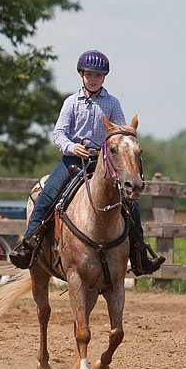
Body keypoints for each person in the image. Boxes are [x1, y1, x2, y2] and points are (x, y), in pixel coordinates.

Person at [9, 49, 165, 275]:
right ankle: (29, 245)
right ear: (81, 75)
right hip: (72, 160)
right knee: (46, 196)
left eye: (98, 76)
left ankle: (139, 254)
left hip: (103, 163)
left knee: (130, 205)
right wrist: (72, 147)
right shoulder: (71, 103)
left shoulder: (112, 103)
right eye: (89, 75)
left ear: (104, 78)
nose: (93, 79)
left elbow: (119, 135)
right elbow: (59, 133)